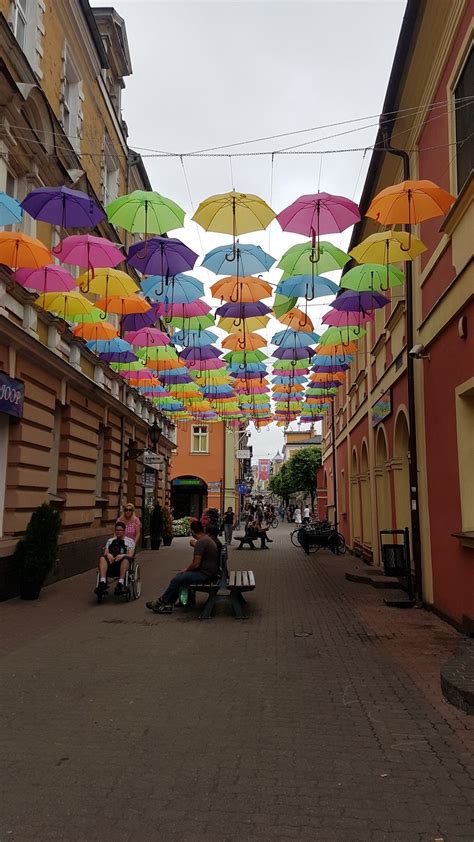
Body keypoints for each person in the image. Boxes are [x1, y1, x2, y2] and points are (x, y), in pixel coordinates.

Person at [146, 521, 219, 614]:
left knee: (177, 579)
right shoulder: (206, 539)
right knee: (180, 577)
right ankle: (168, 604)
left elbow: (196, 564)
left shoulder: (201, 542)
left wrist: (187, 569)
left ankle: (162, 602)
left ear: (192, 531)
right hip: (211, 572)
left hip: (205, 574)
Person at [95, 522, 135, 595]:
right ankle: (103, 582)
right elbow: (105, 552)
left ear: (124, 531)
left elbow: (130, 554)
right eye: (116, 530)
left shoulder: (130, 541)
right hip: (111, 562)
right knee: (102, 558)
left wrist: (122, 555)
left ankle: (120, 583)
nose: (118, 532)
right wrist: (108, 554)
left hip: (123, 562)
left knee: (126, 559)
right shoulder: (110, 541)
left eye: (120, 530)